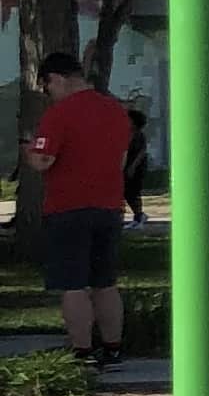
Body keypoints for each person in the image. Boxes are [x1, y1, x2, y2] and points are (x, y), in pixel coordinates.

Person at [25, 51, 131, 368]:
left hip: (68, 208)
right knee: (105, 283)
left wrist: (28, 150)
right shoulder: (115, 110)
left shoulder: (59, 114)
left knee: (73, 284)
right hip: (109, 206)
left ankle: (82, 352)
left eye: (47, 86)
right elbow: (122, 160)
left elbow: (43, 160)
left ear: (57, 79)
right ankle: (113, 347)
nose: (48, 93)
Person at [121, 106, 152, 228]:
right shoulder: (126, 133)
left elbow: (141, 152)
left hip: (137, 166)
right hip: (128, 165)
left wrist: (133, 167)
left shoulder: (138, 135)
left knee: (133, 192)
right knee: (127, 192)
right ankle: (137, 216)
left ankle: (140, 217)